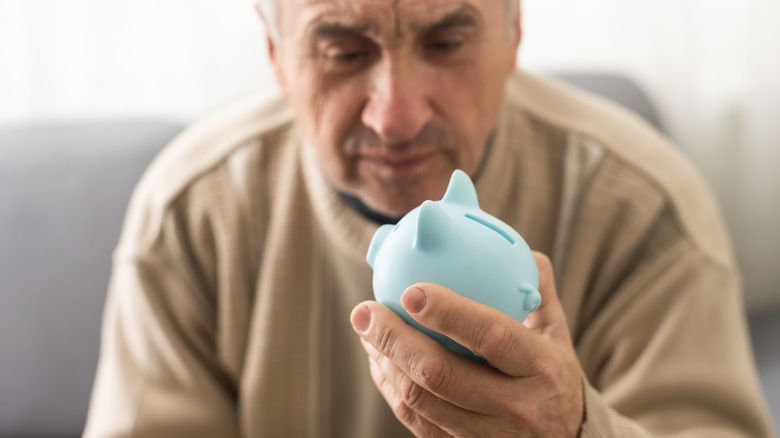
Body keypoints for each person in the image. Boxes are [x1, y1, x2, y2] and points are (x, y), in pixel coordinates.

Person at [83, 0, 774, 436]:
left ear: (514, 35)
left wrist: (578, 429)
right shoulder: (187, 218)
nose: (397, 116)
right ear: (276, 56)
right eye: (343, 51)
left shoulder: (645, 207)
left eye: (446, 43)